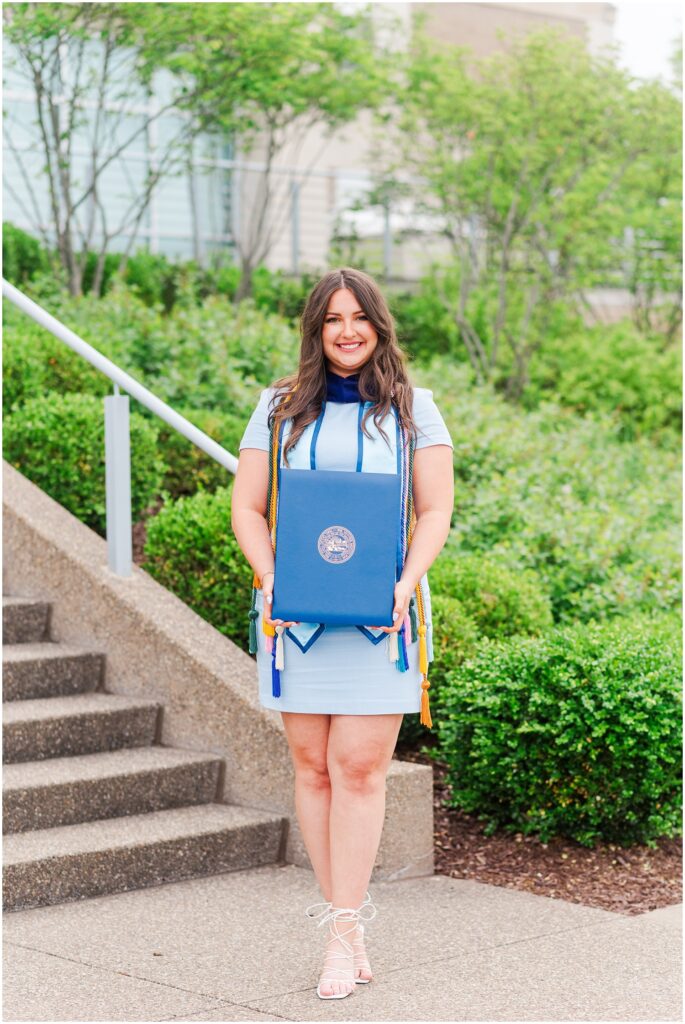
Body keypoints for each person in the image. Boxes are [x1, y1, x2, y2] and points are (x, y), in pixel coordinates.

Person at [231, 266, 454, 999]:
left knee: (358, 767)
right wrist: (271, 579)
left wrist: (403, 582)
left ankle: (339, 932)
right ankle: (346, 925)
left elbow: (433, 513)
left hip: (380, 618)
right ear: (315, 329)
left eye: (358, 317)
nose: (346, 330)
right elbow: (248, 509)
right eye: (331, 319)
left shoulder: (415, 410)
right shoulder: (276, 409)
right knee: (312, 768)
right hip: (295, 620)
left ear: (379, 324)